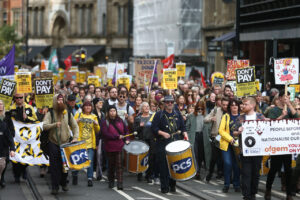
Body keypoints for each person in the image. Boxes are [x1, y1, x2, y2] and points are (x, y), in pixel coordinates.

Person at [151, 95, 188, 194]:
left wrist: (185, 133)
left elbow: (183, 127)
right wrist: (162, 133)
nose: (170, 104)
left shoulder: (177, 114)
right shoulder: (159, 114)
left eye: (171, 102)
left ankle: (173, 184)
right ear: (164, 104)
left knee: (174, 164)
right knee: (163, 166)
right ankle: (164, 186)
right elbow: (154, 128)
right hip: (162, 143)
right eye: (167, 102)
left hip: (174, 142)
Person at [43, 94, 79, 195]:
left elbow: (75, 126)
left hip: (66, 143)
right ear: (55, 101)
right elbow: (44, 126)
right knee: (54, 167)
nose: (60, 102)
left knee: (65, 166)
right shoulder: (50, 113)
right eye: (58, 100)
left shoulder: (67, 112)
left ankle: (64, 183)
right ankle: (55, 186)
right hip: (53, 143)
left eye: (61, 100)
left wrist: (75, 137)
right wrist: (54, 124)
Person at [265, 90, 297, 200]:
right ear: (279, 98)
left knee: (288, 170)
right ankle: (268, 189)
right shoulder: (273, 110)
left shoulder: (289, 109)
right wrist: (282, 116)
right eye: (285, 97)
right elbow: (271, 125)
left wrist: (289, 105)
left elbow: (297, 117)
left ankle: (289, 194)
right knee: (274, 168)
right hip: (277, 144)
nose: (287, 98)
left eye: (289, 97)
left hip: (287, 144)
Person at [233, 97, 265, 200]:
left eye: (245, 104)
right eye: (242, 104)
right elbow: (233, 132)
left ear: (252, 105)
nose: (242, 106)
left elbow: (267, 130)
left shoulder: (260, 117)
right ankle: (246, 196)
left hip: (258, 151)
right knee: (246, 174)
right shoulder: (240, 118)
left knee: (256, 174)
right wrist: (238, 131)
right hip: (245, 152)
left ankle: (253, 194)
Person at [9, 93, 37, 183]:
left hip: (26, 137)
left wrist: (27, 117)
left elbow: (36, 120)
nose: (19, 99)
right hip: (15, 137)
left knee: (27, 155)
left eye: (21, 97)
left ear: (23, 98)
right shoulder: (11, 108)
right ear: (15, 98)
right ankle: (16, 174)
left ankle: (23, 170)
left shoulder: (29, 108)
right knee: (15, 156)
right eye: (17, 98)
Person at [101, 105, 129, 190]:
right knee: (111, 165)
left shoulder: (120, 120)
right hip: (109, 147)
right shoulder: (104, 121)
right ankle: (111, 181)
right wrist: (117, 136)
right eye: (111, 111)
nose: (113, 112)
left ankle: (120, 183)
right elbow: (105, 133)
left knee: (119, 166)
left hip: (119, 146)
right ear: (108, 112)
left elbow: (126, 131)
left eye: (114, 111)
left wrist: (127, 139)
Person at [73, 101, 100, 187]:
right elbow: (71, 126)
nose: (88, 107)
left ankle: (89, 179)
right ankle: (75, 175)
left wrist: (96, 124)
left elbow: (97, 130)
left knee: (90, 162)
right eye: (86, 106)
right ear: (83, 107)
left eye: (89, 106)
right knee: (78, 161)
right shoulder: (79, 115)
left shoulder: (94, 116)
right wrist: (76, 121)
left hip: (90, 143)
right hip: (79, 143)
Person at [218, 98, 241, 193]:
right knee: (228, 163)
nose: (234, 107)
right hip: (227, 144)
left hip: (239, 145)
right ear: (229, 107)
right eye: (232, 105)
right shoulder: (226, 116)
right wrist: (230, 139)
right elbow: (221, 130)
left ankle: (236, 184)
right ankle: (226, 184)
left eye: (236, 105)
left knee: (237, 165)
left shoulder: (242, 116)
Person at [204, 96, 229, 181]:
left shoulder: (230, 112)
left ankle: (225, 175)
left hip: (226, 138)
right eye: (223, 104)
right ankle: (210, 174)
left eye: (226, 105)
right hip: (216, 137)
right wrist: (211, 118)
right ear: (220, 104)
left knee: (225, 158)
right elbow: (205, 119)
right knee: (214, 158)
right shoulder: (215, 111)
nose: (225, 106)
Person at [134, 102, 155, 183]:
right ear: (141, 108)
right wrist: (140, 126)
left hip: (151, 140)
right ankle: (139, 174)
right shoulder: (138, 118)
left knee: (151, 158)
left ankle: (148, 176)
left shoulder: (152, 117)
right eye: (145, 106)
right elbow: (135, 130)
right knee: (141, 158)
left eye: (148, 106)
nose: (147, 108)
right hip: (142, 140)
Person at [186, 100, 207, 180]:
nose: (200, 111)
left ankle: (200, 170)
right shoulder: (191, 116)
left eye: (201, 109)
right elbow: (187, 127)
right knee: (195, 154)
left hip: (203, 136)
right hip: (194, 136)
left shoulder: (206, 116)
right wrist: (188, 137)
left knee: (202, 154)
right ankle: (197, 171)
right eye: (198, 109)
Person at [0, 100, 15, 187]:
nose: (0, 106)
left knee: (3, 163)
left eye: (1, 104)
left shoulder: (7, 118)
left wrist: (12, 148)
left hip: (4, 145)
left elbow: (11, 133)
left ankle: (2, 177)